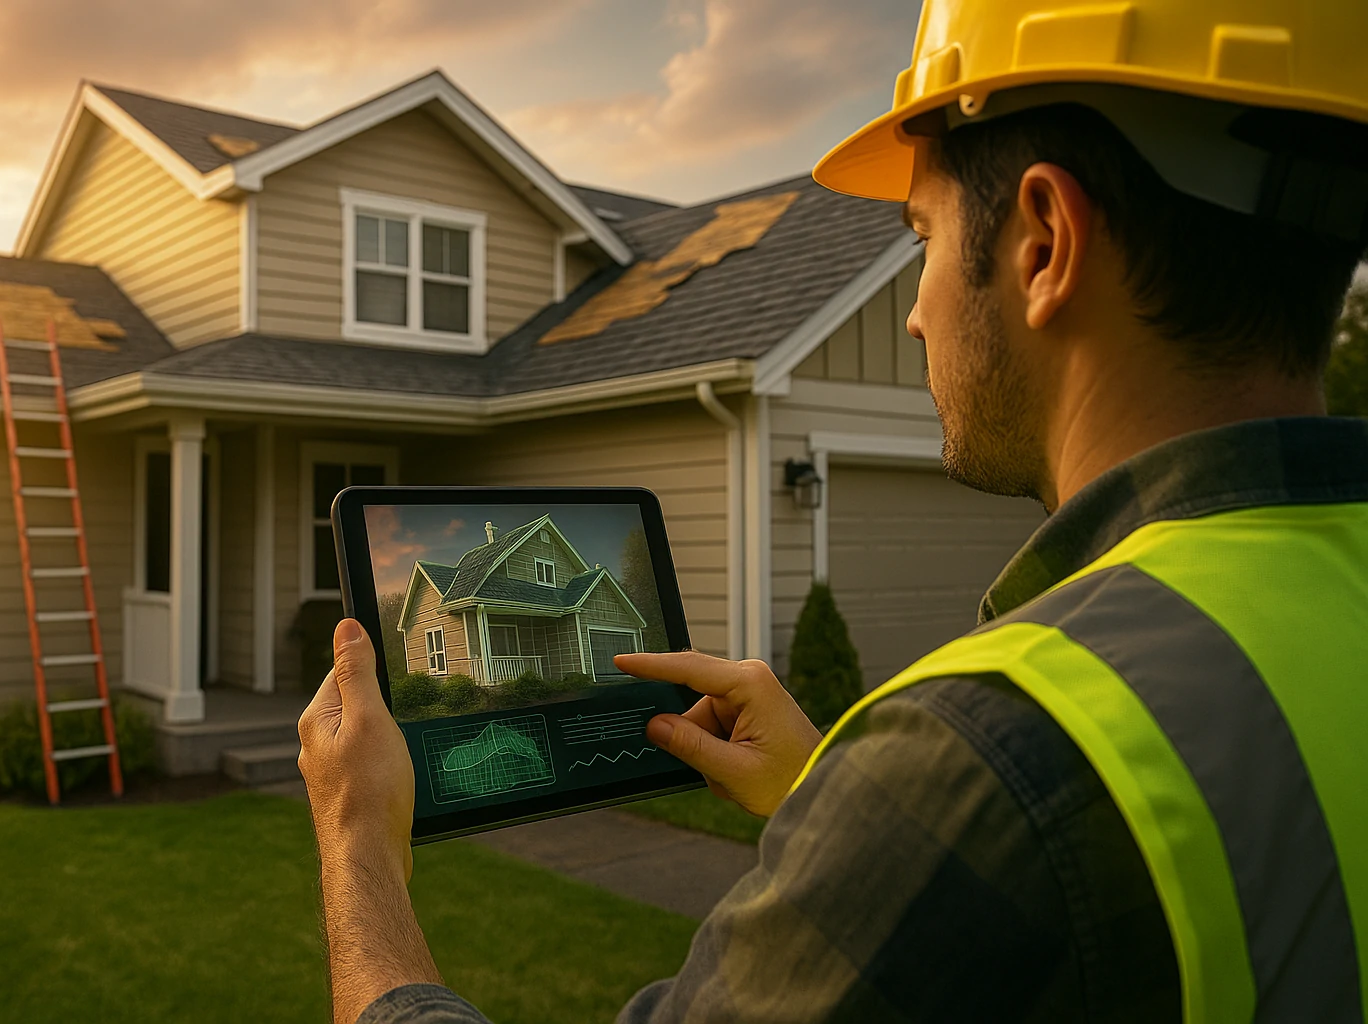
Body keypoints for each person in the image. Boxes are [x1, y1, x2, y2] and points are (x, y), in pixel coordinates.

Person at [298, 0, 1368, 1020]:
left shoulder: (999, 755)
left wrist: (358, 850)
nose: (913, 314)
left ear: (1043, 243)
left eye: (922, 236)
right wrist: (832, 793)